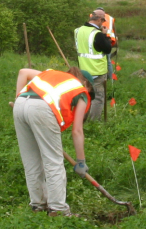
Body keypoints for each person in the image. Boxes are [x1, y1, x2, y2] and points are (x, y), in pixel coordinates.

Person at [13, 67, 95, 217]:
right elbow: (77, 131)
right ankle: (58, 209)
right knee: (53, 161)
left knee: (31, 160)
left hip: (20, 104)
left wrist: (18, 98)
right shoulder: (81, 91)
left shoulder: (53, 74)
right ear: (86, 84)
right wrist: (81, 161)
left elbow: (23, 72)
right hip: (42, 109)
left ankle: (38, 205)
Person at [75, 10, 112, 120]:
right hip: (97, 71)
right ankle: (94, 122)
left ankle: (82, 119)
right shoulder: (98, 34)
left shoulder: (78, 30)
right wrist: (105, 35)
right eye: (103, 21)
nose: (103, 24)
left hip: (83, 70)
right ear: (99, 19)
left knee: (86, 96)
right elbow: (107, 49)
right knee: (98, 97)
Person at [92, 7, 118, 81]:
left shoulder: (94, 16)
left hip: (100, 38)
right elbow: (114, 29)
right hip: (109, 39)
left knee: (100, 58)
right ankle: (110, 79)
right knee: (108, 60)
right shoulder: (110, 18)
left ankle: (102, 77)